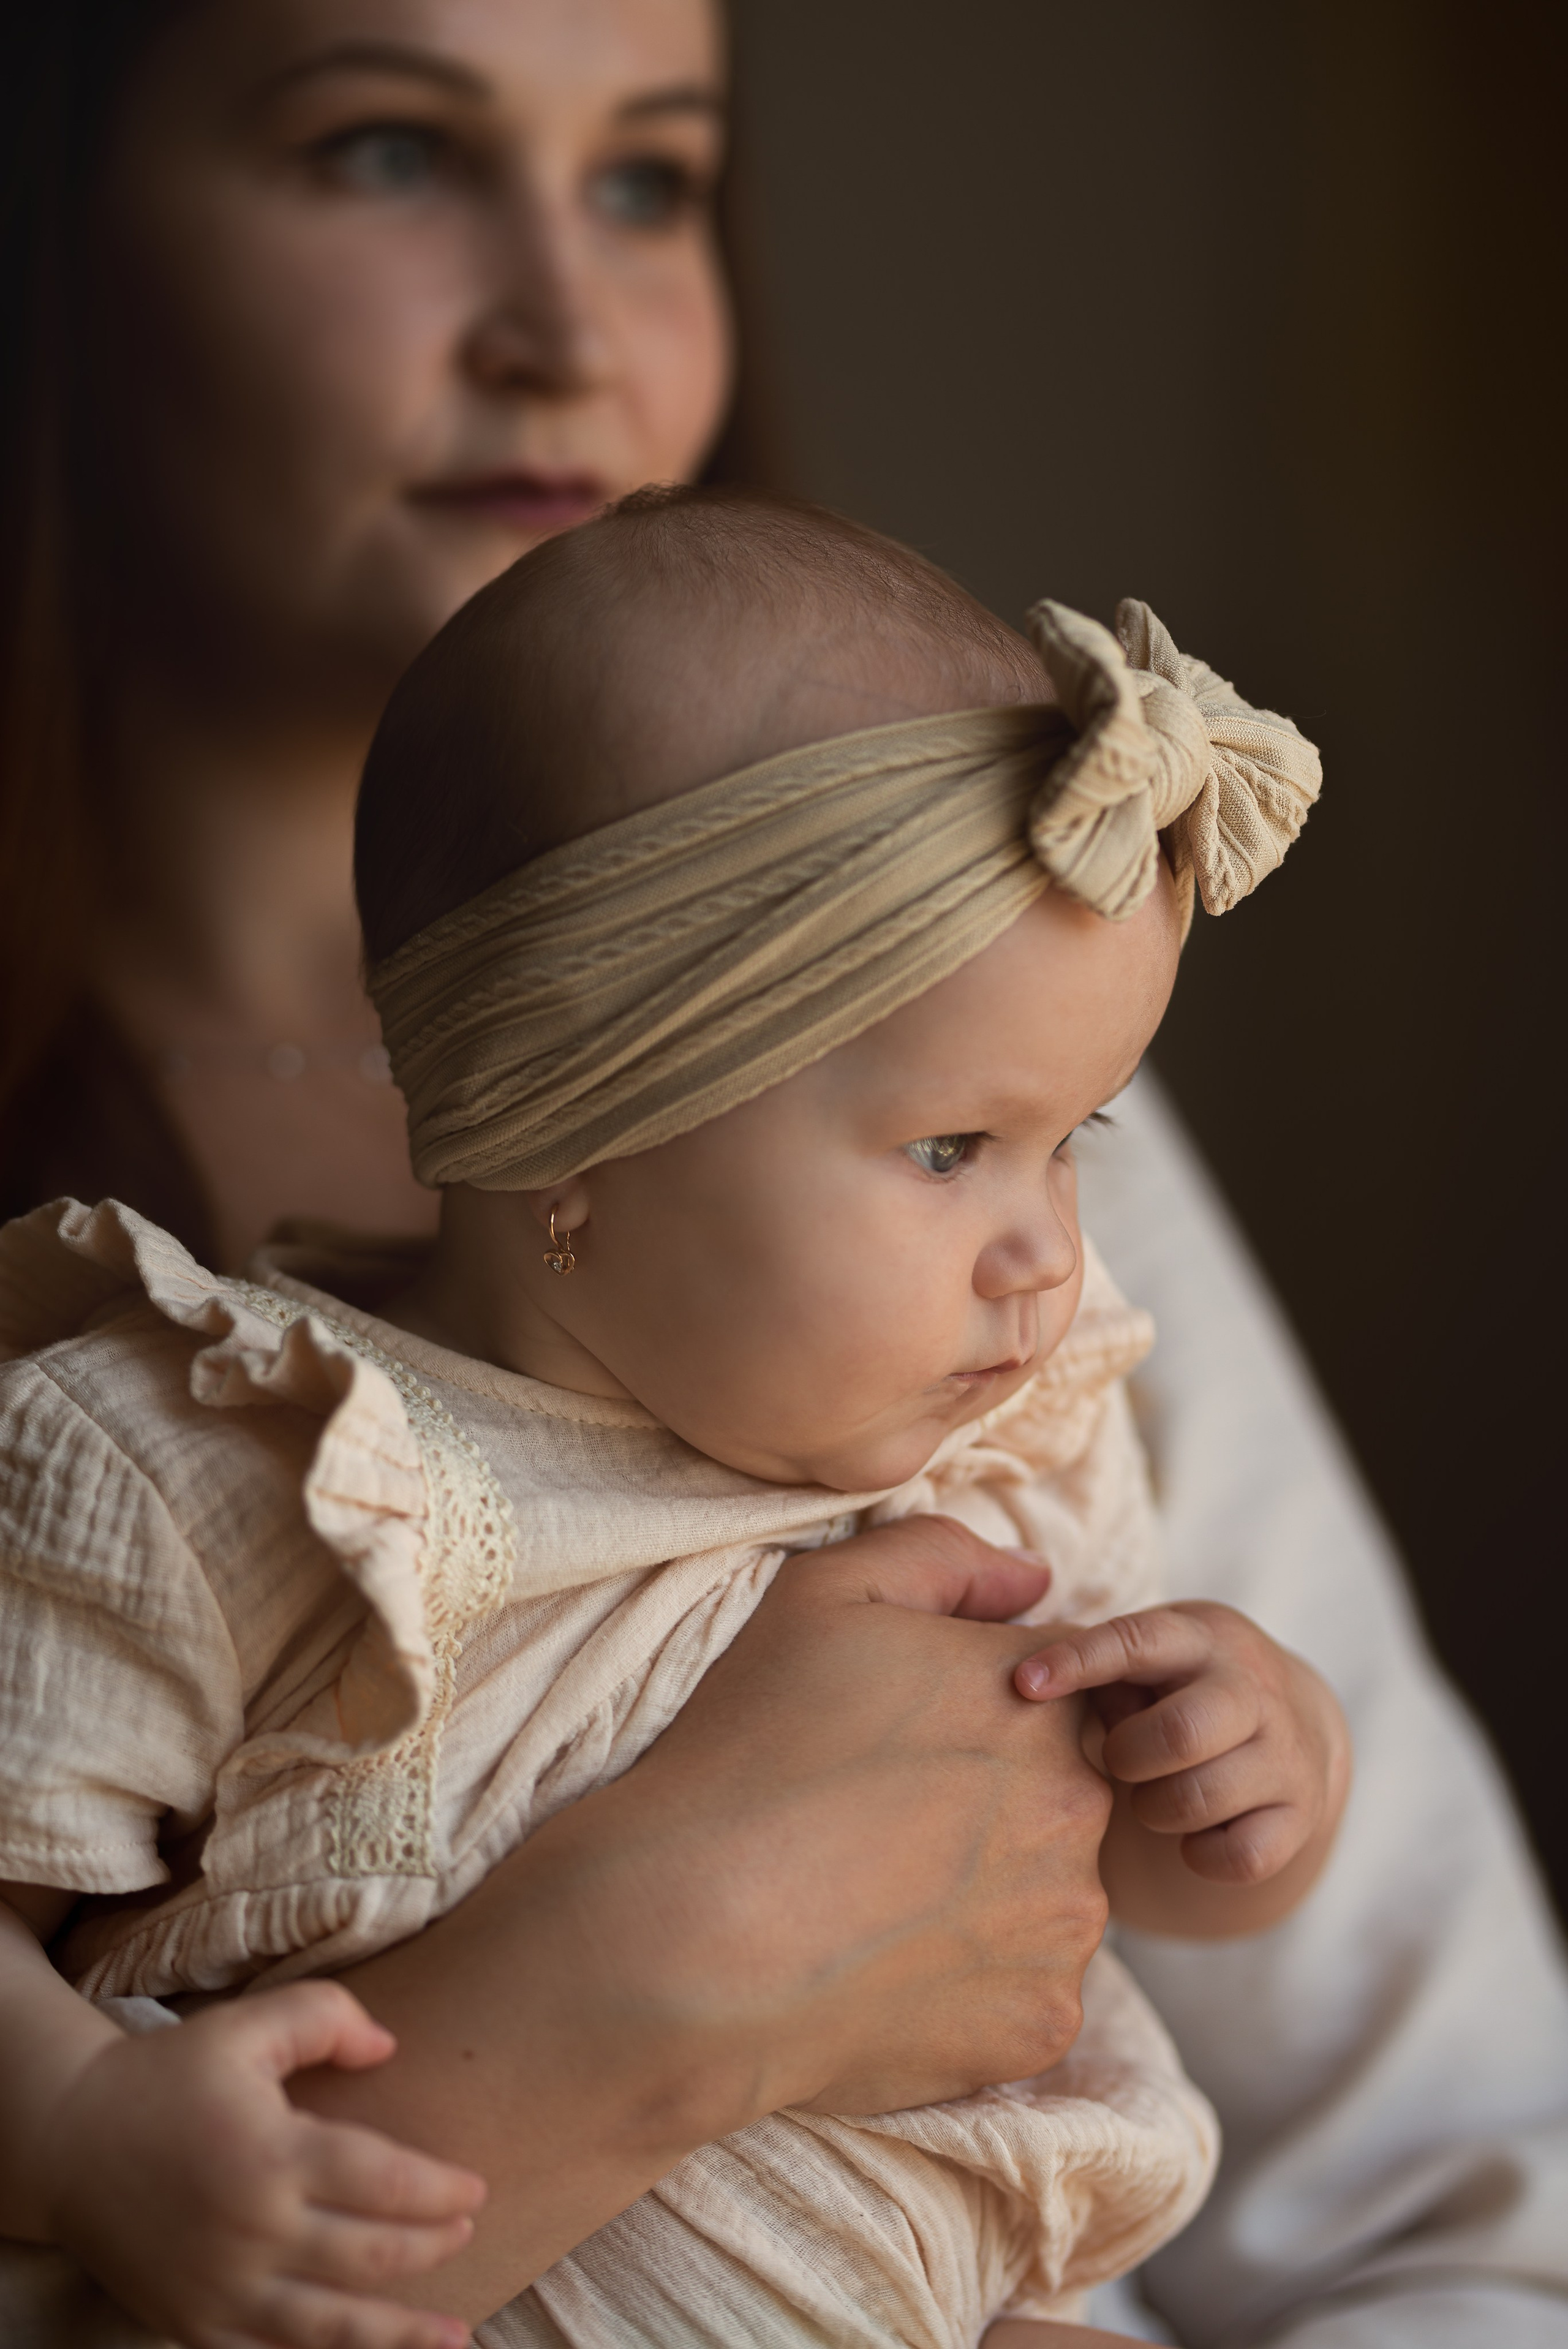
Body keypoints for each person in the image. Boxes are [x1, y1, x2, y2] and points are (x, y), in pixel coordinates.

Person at [0, 4, 1562, 2346]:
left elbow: (1463, 2180)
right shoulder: (203, 1444)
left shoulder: (1017, 1277)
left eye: (652, 176)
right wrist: (636, 1989)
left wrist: (1247, 1774)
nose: (572, 322)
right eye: (389, 152)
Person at [0, 488, 1352, 2348]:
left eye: (1075, 1139)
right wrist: (78, 2128)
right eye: (951, 1149)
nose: (1044, 1245)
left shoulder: (1007, 1450)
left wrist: (1238, 1788)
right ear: (574, 1124)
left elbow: (1070, 1899)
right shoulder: (234, 1462)